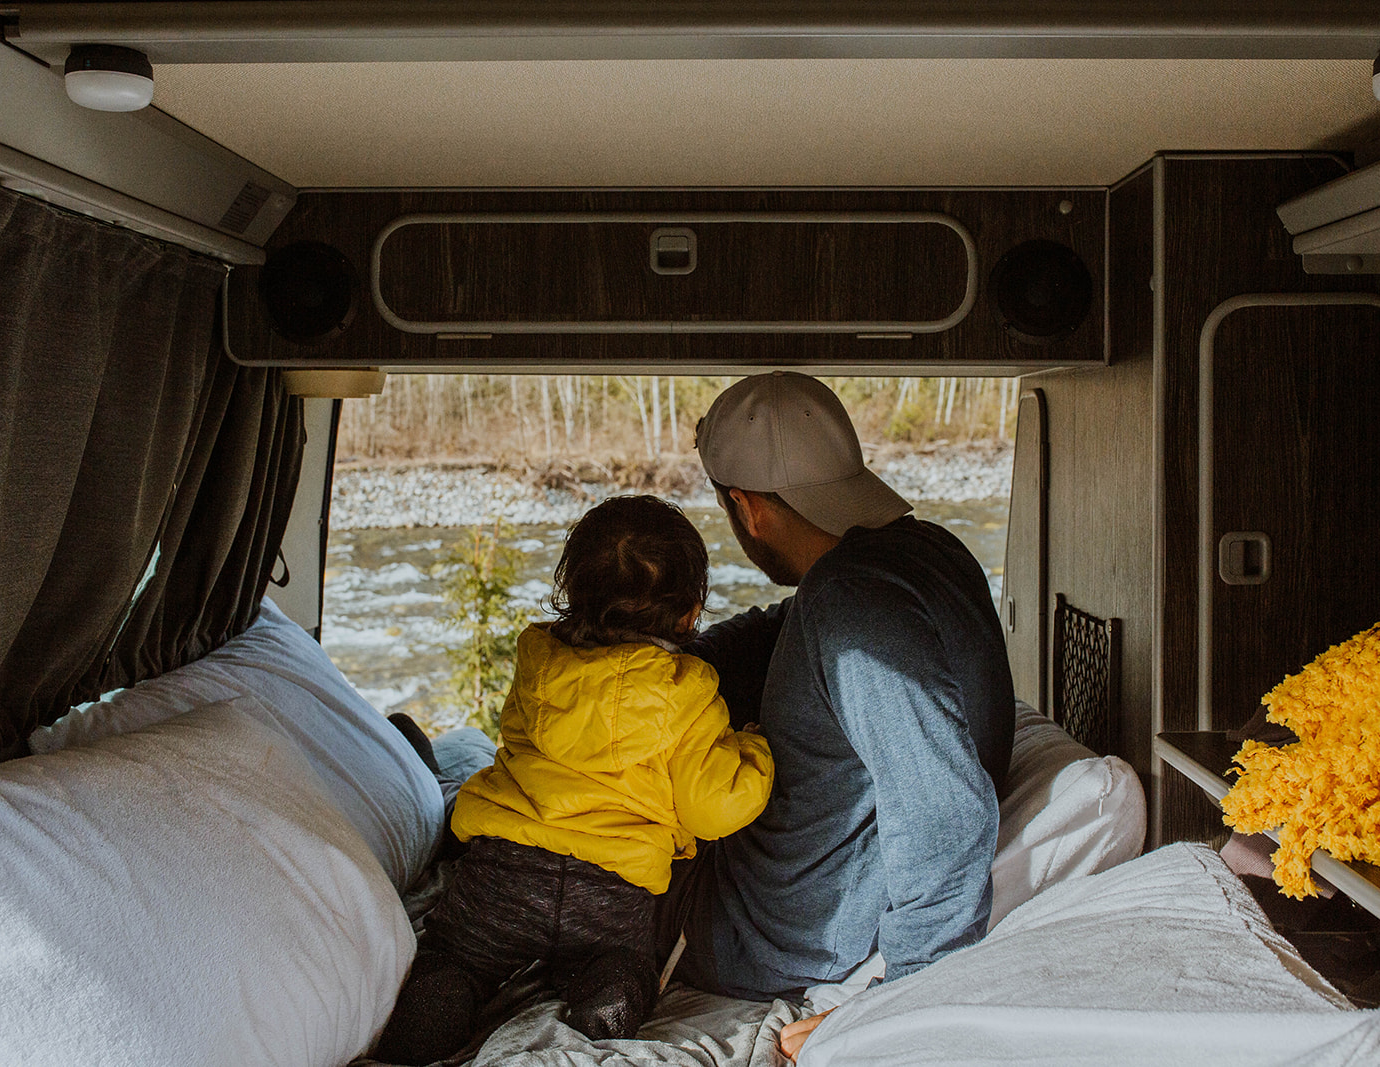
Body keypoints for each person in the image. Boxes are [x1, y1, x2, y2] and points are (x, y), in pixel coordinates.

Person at [659, 372, 1015, 1046]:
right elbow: (786, 626)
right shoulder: (927, 551)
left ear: (748, 508)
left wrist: (901, 1002)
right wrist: (671, 664)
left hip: (766, 934)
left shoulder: (853, 608)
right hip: (790, 898)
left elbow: (945, 814)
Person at [374, 496, 774, 1065]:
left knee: (457, 958)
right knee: (623, 962)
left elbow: (511, 745)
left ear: (573, 590)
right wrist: (754, 746)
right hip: (611, 894)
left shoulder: (537, 659)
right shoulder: (688, 692)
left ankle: (435, 1007)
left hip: (501, 873)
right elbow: (715, 807)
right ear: (690, 612)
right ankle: (608, 995)